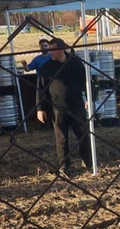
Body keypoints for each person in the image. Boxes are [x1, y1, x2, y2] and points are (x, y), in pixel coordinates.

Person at [35, 37, 92, 176]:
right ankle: (64, 166)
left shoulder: (76, 63)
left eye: (53, 50)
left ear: (61, 49)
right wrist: (40, 109)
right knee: (61, 139)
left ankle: (88, 161)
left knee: (83, 135)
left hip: (77, 107)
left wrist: (90, 99)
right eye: (49, 51)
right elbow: (40, 89)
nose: (50, 53)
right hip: (57, 108)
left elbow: (86, 82)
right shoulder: (46, 68)